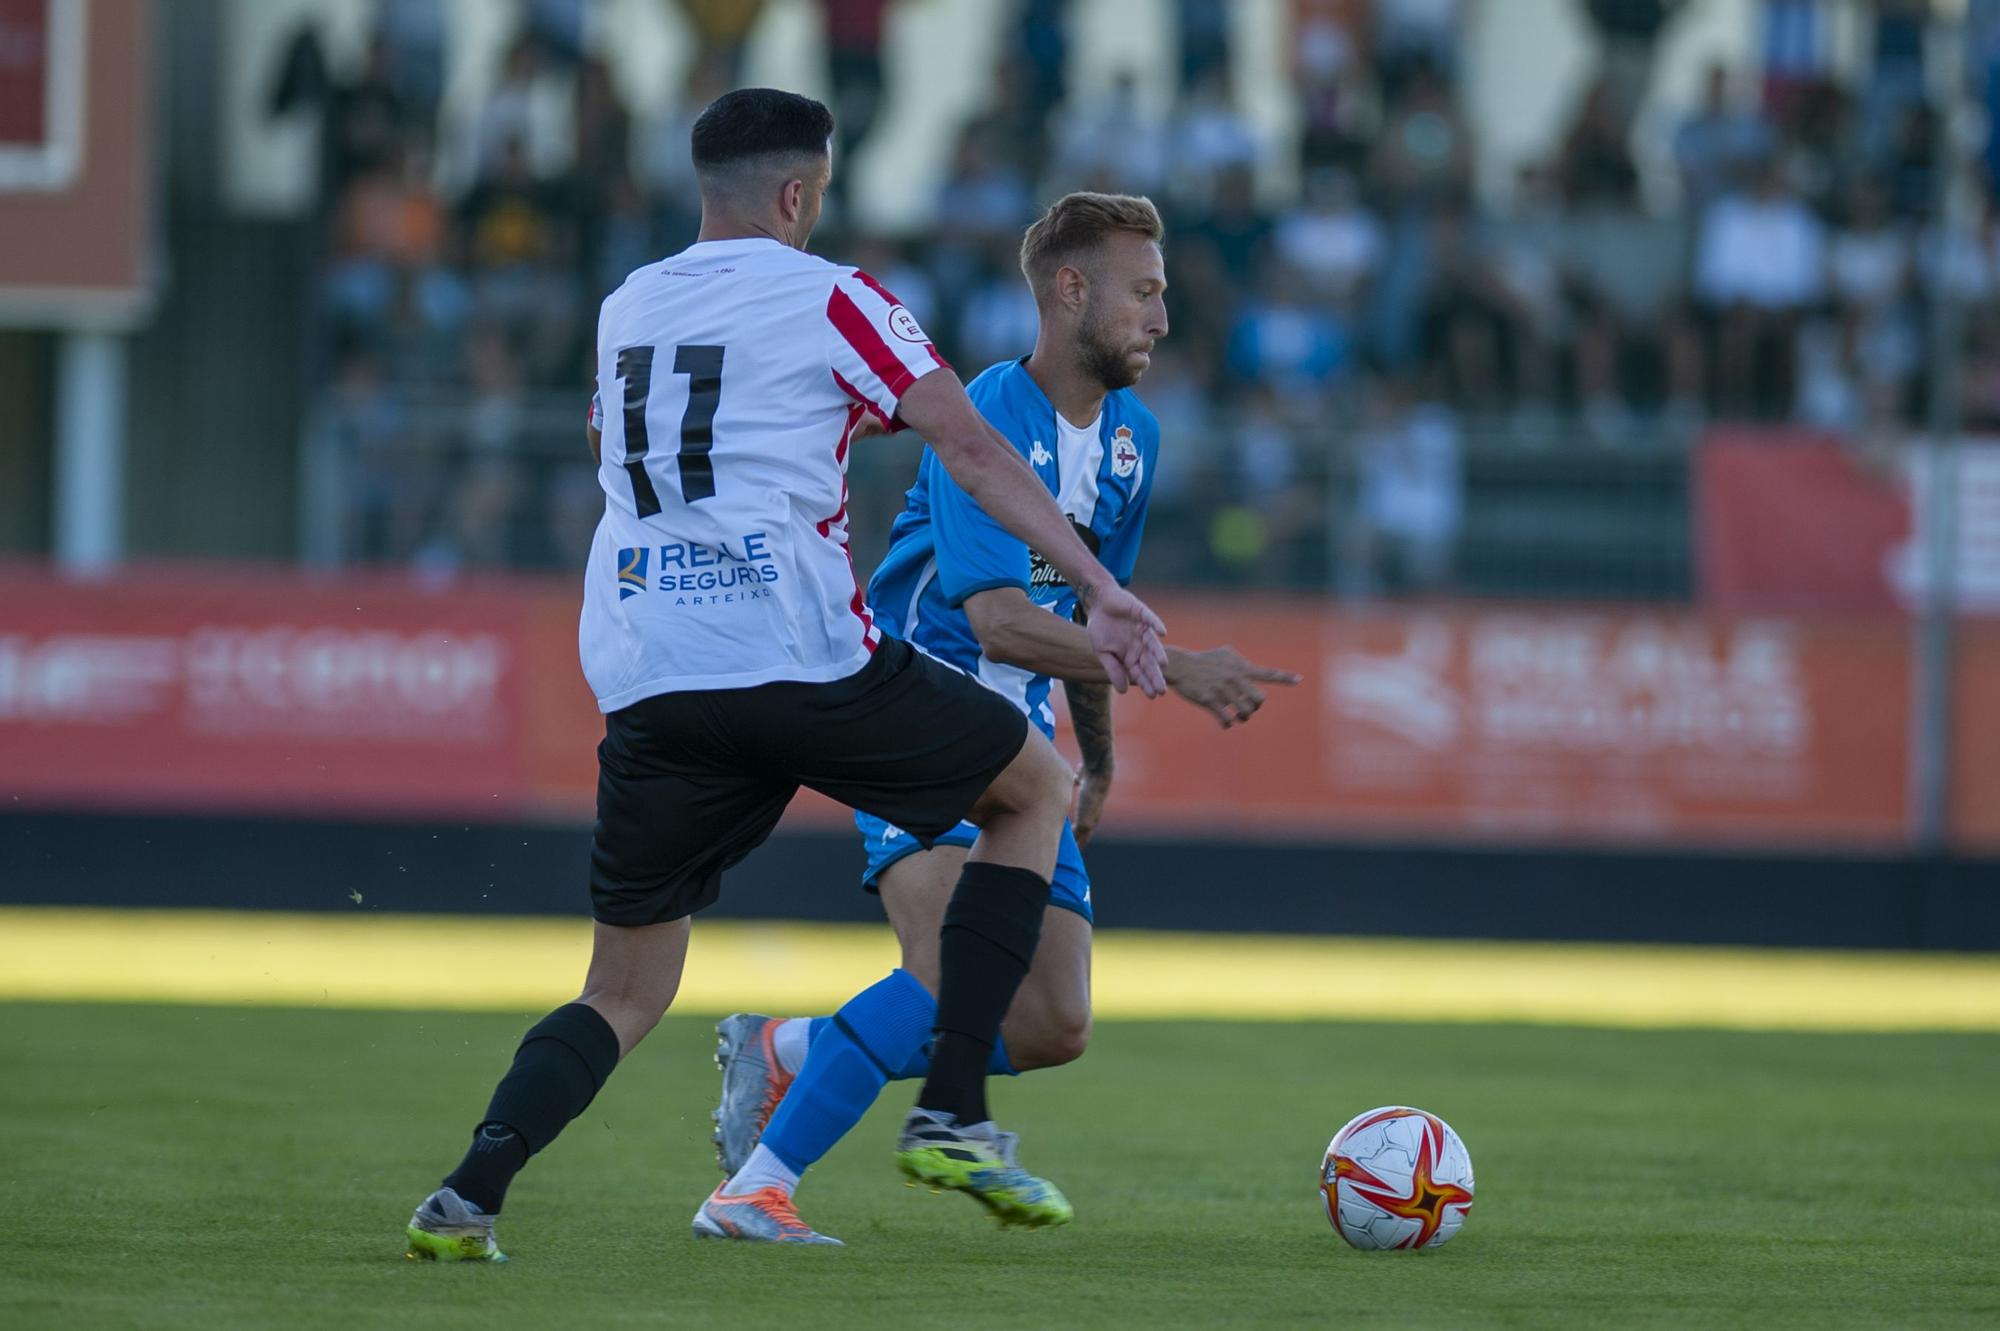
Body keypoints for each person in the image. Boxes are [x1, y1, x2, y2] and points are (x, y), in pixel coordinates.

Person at [401, 89, 1169, 1261]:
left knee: (623, 987)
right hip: (798, 656)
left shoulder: (626, 306)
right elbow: (966, 443)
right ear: (799, 194)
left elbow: (630, 456)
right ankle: (952, 1108)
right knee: (1030, 788)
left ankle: (467, 1191)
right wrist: (1096, 582)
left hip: (651, 671)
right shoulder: (835, 296)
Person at [695, 193, 1299, 1244]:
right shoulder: (983, 417)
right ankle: (756, 1186)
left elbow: (1088, 607)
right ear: (1070, 291)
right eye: (1142, 293)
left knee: (1053, 1022)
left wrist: (1097, 758)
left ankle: (793, 1046)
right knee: (945, 978)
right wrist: (1179, 668)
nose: (1162, 318)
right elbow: (1001, 620)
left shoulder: (1132, 441)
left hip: (1029, 756)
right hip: (914, 716)